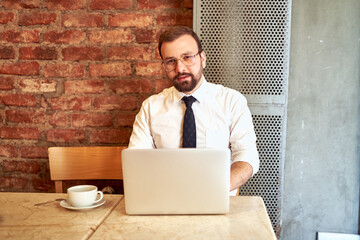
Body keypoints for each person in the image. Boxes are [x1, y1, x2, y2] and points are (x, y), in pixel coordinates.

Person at [128, 26, 259, 196]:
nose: (180, 68)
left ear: (202, 58)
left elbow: (246, 159)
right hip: (167, 200)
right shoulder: (151, 107)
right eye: (170, 61)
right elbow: (136, 162)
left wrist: (210, 190)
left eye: (187, 57)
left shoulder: (232, 101)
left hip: (216, 198)